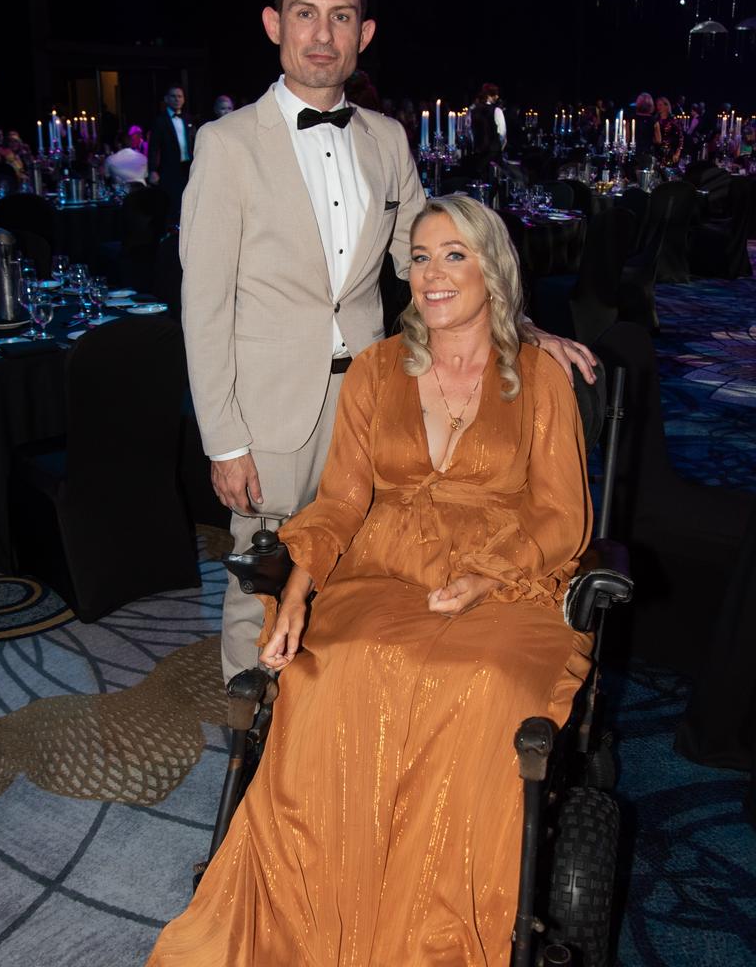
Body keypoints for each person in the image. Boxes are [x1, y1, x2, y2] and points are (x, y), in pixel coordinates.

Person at [146, 195, 593, 966]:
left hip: (509, 577)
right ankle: (320, 922)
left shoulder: (540, 377)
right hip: (385, 572)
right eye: (420, 256)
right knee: (330, 675)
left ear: (493, 266)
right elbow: (343, 501)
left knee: (480, 683)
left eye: (455, 254)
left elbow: (561, 518)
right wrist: (293, 593)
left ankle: (428, 932)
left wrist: (486, 579)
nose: (433, 273)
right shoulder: (378, 369)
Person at [181, 0, 597, 689]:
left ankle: (332, 719)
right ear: (275, 24)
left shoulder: (386, 139)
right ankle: (252, 740)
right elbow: (203, 306)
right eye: (304, 14)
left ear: (363, 34)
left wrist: (524, 329)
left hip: (379, 390)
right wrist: (224, 439)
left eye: (340, 17)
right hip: (270, 409)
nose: (321, 34)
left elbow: (430, 267)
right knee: (262, 578)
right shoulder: (226, 145)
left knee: (357, 567)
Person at [148, 84, 193, 220]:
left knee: (189, 202)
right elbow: (153, 147)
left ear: (184, 99)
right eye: (173, 96)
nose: (177, 99)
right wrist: (152, 170)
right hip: (169, 168)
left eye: (180, 96)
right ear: (166, 99)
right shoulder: (160, 121)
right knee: (173, 204)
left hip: (188, 167)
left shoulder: (188, 119)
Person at [653, 95, 683, 167]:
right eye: (657, 105)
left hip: (670, 154)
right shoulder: (654, 120)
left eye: (660, 105)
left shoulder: (673, 120)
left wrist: (677, 153)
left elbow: (680, 137)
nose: (658, 107)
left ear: (666, 106)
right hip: (656, 152)